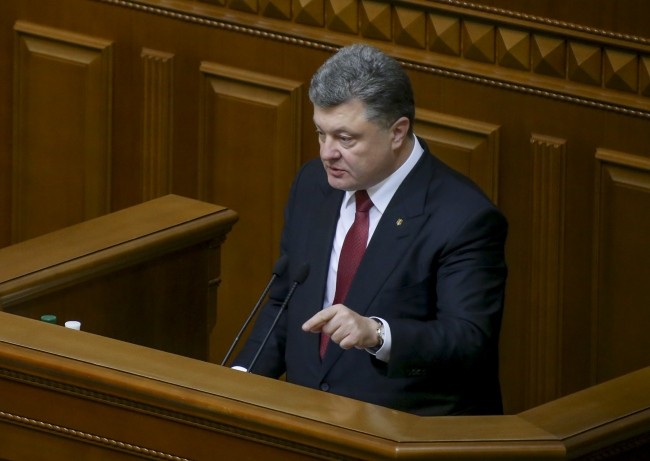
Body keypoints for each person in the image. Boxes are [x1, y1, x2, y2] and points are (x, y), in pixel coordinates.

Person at [232, 43, 508, 416]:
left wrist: (377, 333)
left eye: (345, 139)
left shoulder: (463, 217)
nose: (327, 153)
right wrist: (241, 381)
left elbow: (469, 340)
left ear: (397, 132)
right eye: (321, 133)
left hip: (403, 427)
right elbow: (286, 301)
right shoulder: (313, 184)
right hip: (307, 418)